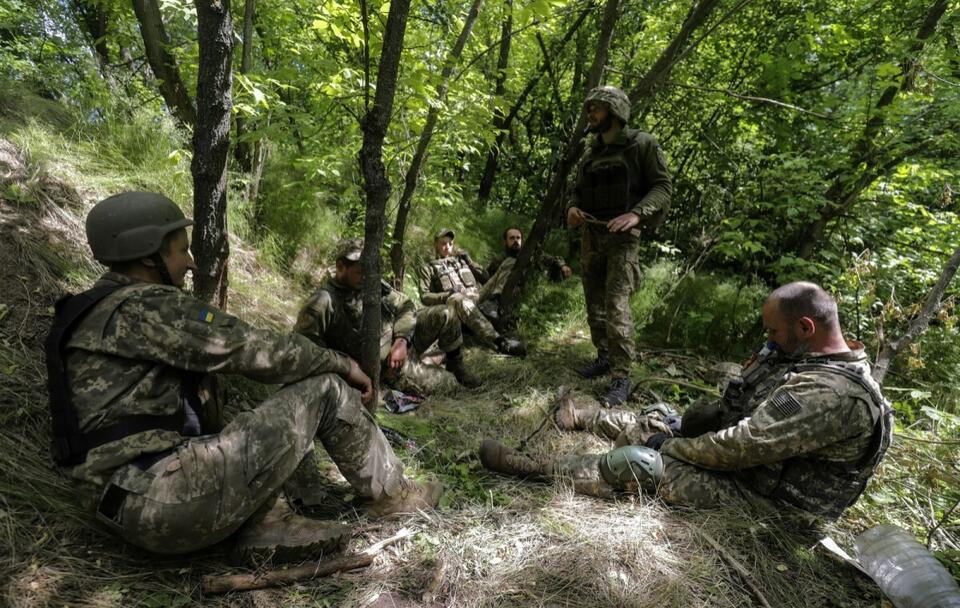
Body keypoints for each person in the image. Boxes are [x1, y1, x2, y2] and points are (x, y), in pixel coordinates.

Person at [46, 192, 442, 563]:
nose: (190, 262)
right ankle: (394, 496)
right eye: (182, 250)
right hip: (160, 499)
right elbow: (255, 348)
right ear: (150, 256)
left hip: (127, 499)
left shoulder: (89, 311)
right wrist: (342, 364)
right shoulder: (147, 306)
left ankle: (269, 522)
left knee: (235, 412)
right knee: (325, 388)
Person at [480, 282, 893, 523]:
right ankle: (588, 417)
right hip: (755, 471)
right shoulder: (804, 360)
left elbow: (741, 447)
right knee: (658, 420)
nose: (769, 340)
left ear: (806, 327)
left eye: (775, 332)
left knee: (640, 461)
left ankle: (533, 467)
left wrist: (670, 448)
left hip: (771, 507)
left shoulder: (831, 395)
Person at [566, 85, 672, 406]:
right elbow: (577, 192)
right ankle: (603, 357)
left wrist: (636, 214)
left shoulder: (642, 145)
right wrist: (571, 209)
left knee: (616, 306)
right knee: (594, 304)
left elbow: (662, 187)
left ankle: (621, 377)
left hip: (623, 239)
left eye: (596, 108)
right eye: (589, 109)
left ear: (615, 111)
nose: (590, 115)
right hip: (592, 235)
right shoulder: (591, 152)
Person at [295, 237, 482, 393]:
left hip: (402, 341)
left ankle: (455, 365)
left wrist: (401, 340)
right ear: (341, 266)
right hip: (390, 368)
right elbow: (305, 350)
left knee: (446, 313)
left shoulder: (368, 280)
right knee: (449, 384)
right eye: (361, 271)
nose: (368, 276)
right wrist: (349, 369)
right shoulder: (323, 302)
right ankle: (432, 363)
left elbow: (405, 303)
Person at [419, 228, 526, 356]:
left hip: (478, 296)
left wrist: (470, 262)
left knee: (510, 262)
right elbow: (425, 296)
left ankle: (494, 304)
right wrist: (447, 294)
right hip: (455, 304)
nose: (447, 247)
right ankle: (500, 342)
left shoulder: (461, 260)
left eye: (450, 243)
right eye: (443, 243)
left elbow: (487, 277)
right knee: (458, 298)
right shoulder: (428, 268)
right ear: (435, 244)